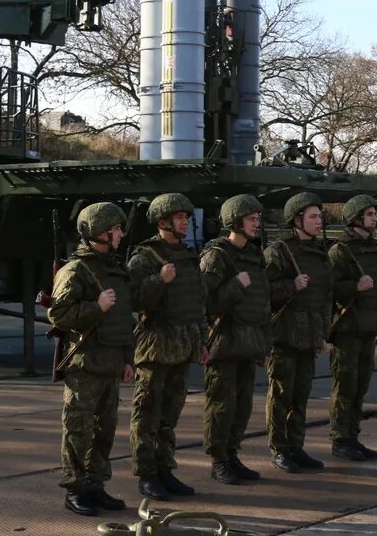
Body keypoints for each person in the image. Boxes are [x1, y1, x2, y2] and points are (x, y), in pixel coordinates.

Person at [49, 202, 135, 516]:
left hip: (112, 364)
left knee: (105, 430)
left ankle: (96, 485)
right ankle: (75, 489)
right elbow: (59, 314)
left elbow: (125, 318)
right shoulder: (75, 271)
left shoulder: (116, 269)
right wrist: (96, 306)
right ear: (100, 232)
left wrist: (128, 359)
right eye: (116, 229)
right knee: (78, 430)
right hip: (84, 365)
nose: (121, 234)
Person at [128, 193, 210, 500]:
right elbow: (135, 299)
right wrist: (158, 281)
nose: (185, 223)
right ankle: (147, 473)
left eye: (187, 218)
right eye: (179, 218)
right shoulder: (144, 257)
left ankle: (165, 469)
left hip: (183, 344)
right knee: (147, 412)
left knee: (170, 414)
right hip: (156, 346)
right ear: (163, 222)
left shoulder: (189, 257)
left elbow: (197, 304)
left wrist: (201, 341)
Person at [199, 194, 271, 484]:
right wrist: (234, 286)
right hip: (223, 343)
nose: (257, 224)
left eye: (257, 219)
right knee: (221, 405)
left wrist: (265, 346)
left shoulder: (255, 256)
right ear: (235, 221)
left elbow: (263, 304)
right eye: (251, 219)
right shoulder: (216, 255)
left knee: (242, 405)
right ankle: (218, 460)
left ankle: (232, 453)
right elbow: (203, 301)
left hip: (248, 343)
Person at [264, 192, 331, 473]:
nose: (319, 221)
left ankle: (296, 446)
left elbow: (325, 296)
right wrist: (291, 286)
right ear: (297, 219)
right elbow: (263, 293)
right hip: (285, 335)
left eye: (319, 216)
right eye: (313, 216)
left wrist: (323, 335)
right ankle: (279, 448)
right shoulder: (279, 251)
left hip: (310, 334)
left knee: (301, 395)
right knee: (281, 394)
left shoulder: (319, 251)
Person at [327, 195, 377, 461]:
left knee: (361, 386)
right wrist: (354, 287)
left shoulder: (374, 249)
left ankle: (353, 435)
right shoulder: (340, 251)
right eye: (370, 214)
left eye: (375, 213)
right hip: (348, 329)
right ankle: (340, 439)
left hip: (368, 327)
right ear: (355, 218)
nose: (375, 218)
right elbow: (328, 290)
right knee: (345, 386)